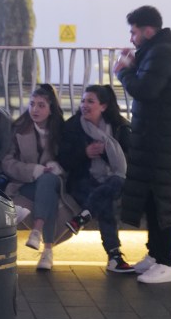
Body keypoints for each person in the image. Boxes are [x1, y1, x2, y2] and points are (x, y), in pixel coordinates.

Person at [113, 5, 171, 284]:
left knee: (163, 200)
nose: (132, 38)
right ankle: (154, 255)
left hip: (162, 141)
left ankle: (166, 263)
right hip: (156, 138)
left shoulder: (163, 52)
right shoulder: (162, 50)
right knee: (150, 196)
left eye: (134, 32)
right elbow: (152, 83)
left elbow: (146, 90)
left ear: (148, 30)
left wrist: (122, 72)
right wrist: (135, 66)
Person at [1, 84, 79, 271]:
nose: (35, 109)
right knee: (47, 195)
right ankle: (47, 251)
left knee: (48, 181)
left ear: (51, 109)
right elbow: (7, 162)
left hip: (53, 183)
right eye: (32, 104)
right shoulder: (19, 129)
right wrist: (33, 169)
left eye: (41, 105)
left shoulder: (62, 132)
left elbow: (73, 160)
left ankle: (37, 232)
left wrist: (58, 167)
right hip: (25, 183)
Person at [58, 85, 135, 273]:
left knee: (115, 182)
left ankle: (84, 216)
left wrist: (107, 152)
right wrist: (84, 153)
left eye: (90, 101)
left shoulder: (119, 127)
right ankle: (114, 256)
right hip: (82, 181)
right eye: (83, 101)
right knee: (104, 201)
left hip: (113, 180)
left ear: (103, 106)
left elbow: (128, 160)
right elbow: (64, 160)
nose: (84, 105)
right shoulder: (73, 126)